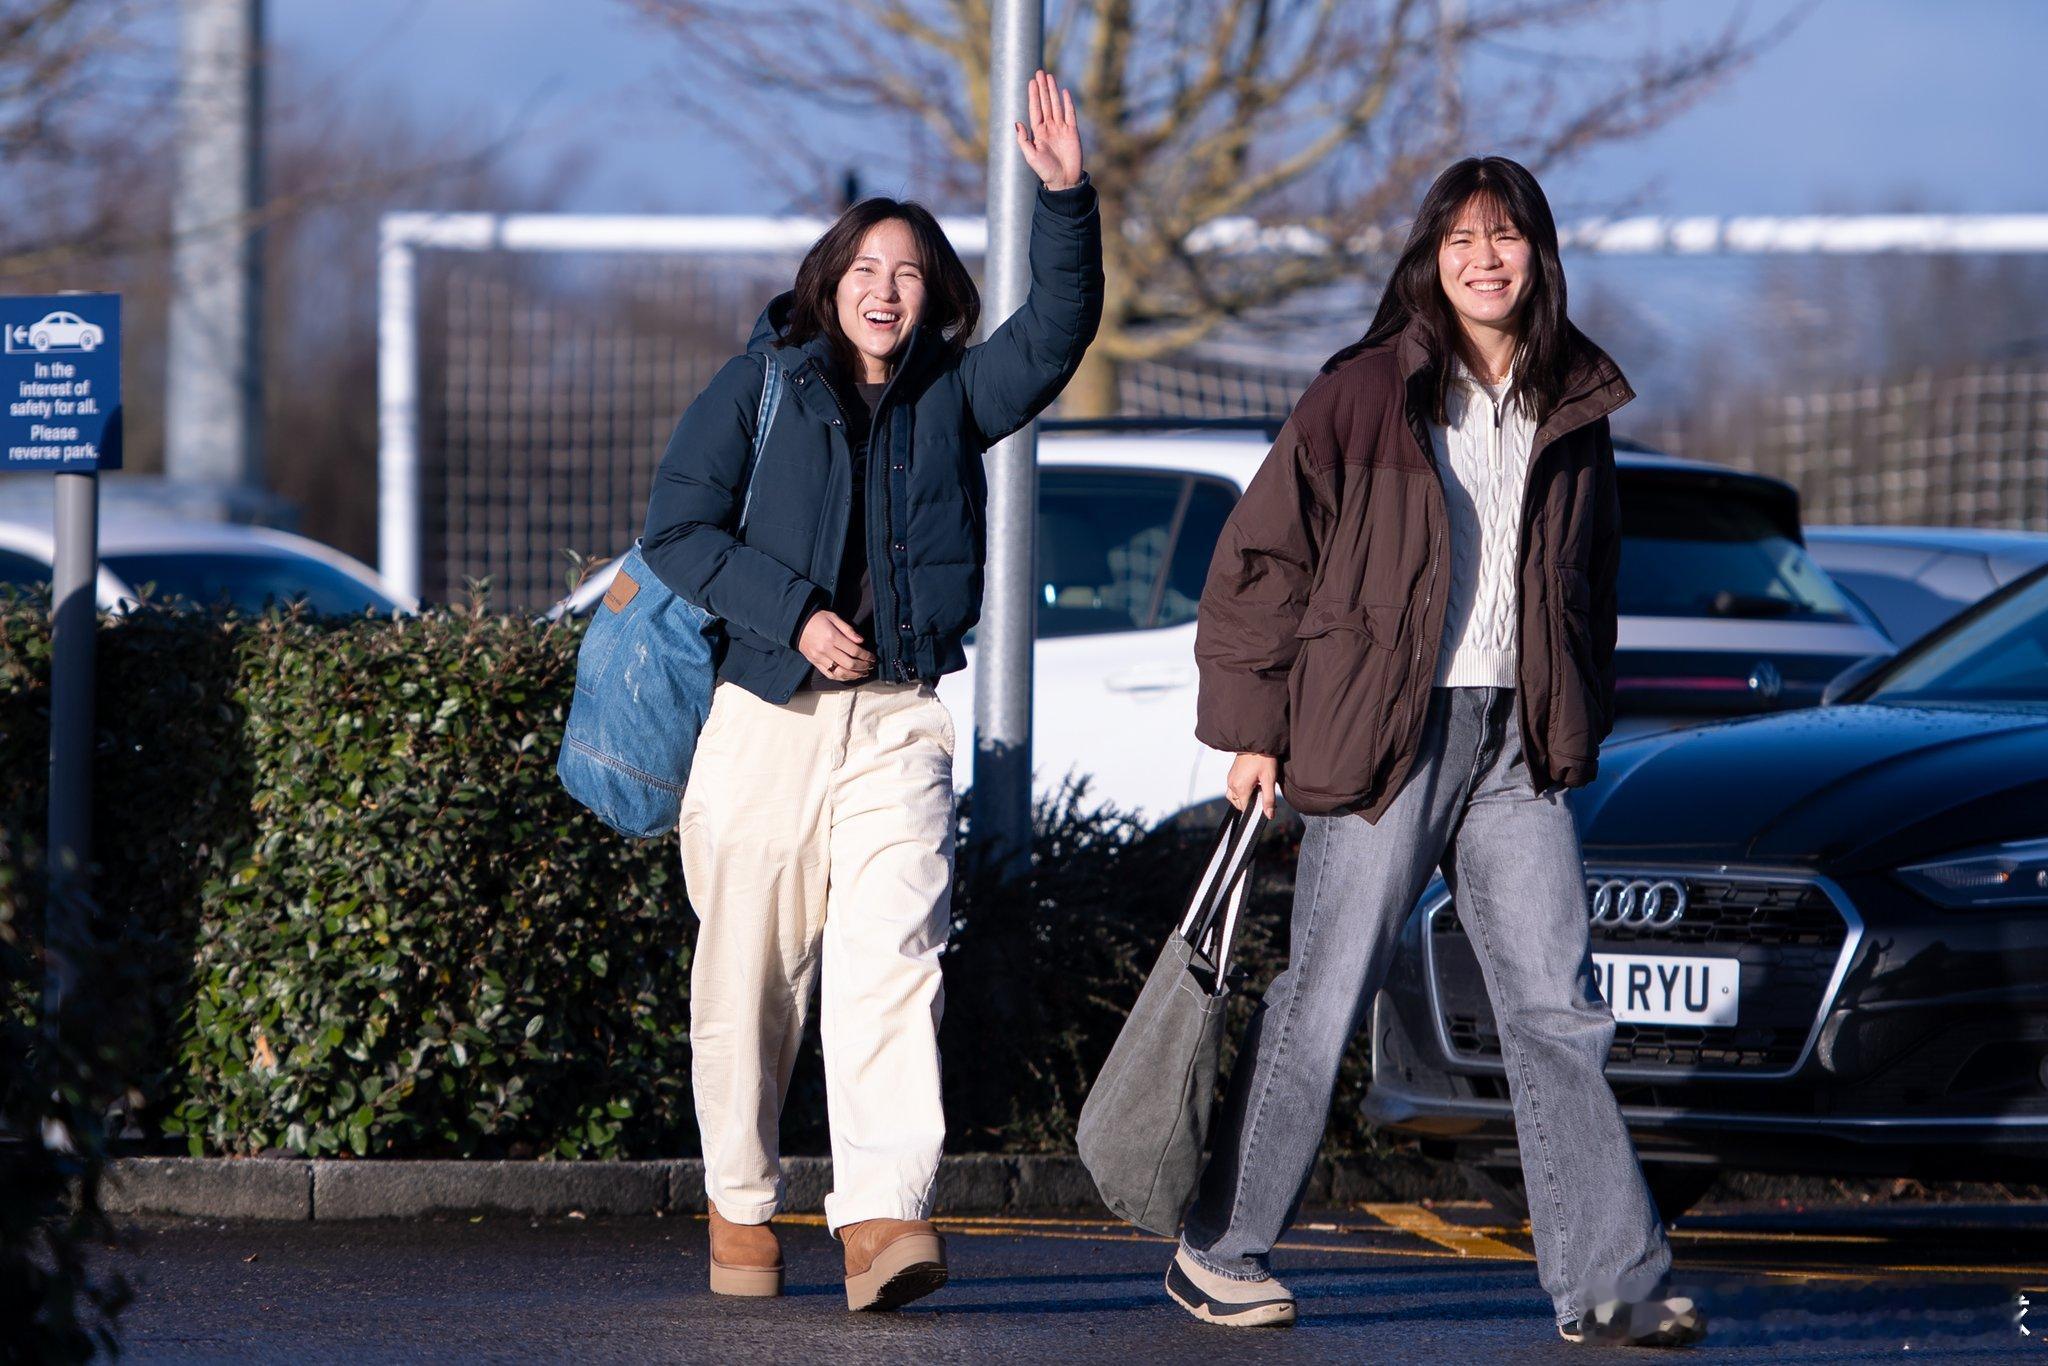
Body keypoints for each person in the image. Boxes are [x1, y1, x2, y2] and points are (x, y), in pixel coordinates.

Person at [1172, 155, 1705, 1348]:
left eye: (1504, 237)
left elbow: (1589, 581)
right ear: (1429, 255)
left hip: (1512, 742)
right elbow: (1259, 563)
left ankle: (1607, 1281)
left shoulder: (1572, 402)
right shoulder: (1363, 391)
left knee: (1556, 1013)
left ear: (1536, 254)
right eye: (1460, 237)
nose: (1483, 258)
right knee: (1323, 994)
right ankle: (1220, 1248)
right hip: (1382, 736)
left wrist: (1574, 716)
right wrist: (1253, 731)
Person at [637, 70, 1099, 1312]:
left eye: (908, 272)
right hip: (766, 721)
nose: (885, 289)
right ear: (828, 281)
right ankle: (741, 1211)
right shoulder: (764, 385)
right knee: (745, 980)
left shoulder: (955, 397)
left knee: (892, 959)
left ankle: (880, 1218)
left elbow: (1053, 336)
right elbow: (676, 528)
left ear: (933, 292)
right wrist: (791, 609)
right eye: (865, 269)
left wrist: (1064, 199)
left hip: (899, 720)